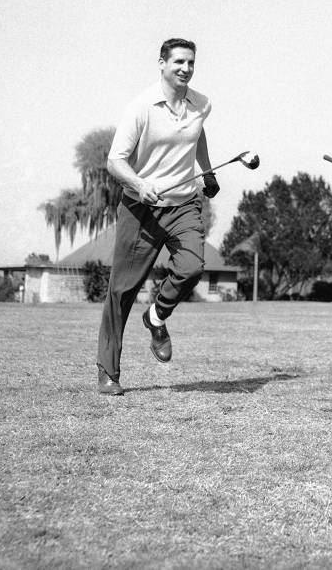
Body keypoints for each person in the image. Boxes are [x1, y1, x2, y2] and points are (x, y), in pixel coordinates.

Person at [96, 38, 220, 396]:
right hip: (141, 209)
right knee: (121, 291)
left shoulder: (201, 104)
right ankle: (108, 372)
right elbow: (114, 161)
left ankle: (156, 317)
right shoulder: (141, 107)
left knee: (193, 266)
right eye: (179, 61)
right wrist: (139, 183)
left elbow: (197, 134)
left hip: (183, 204)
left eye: (191, 62)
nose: (185, 68)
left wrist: (207, 171)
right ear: (162, 63)